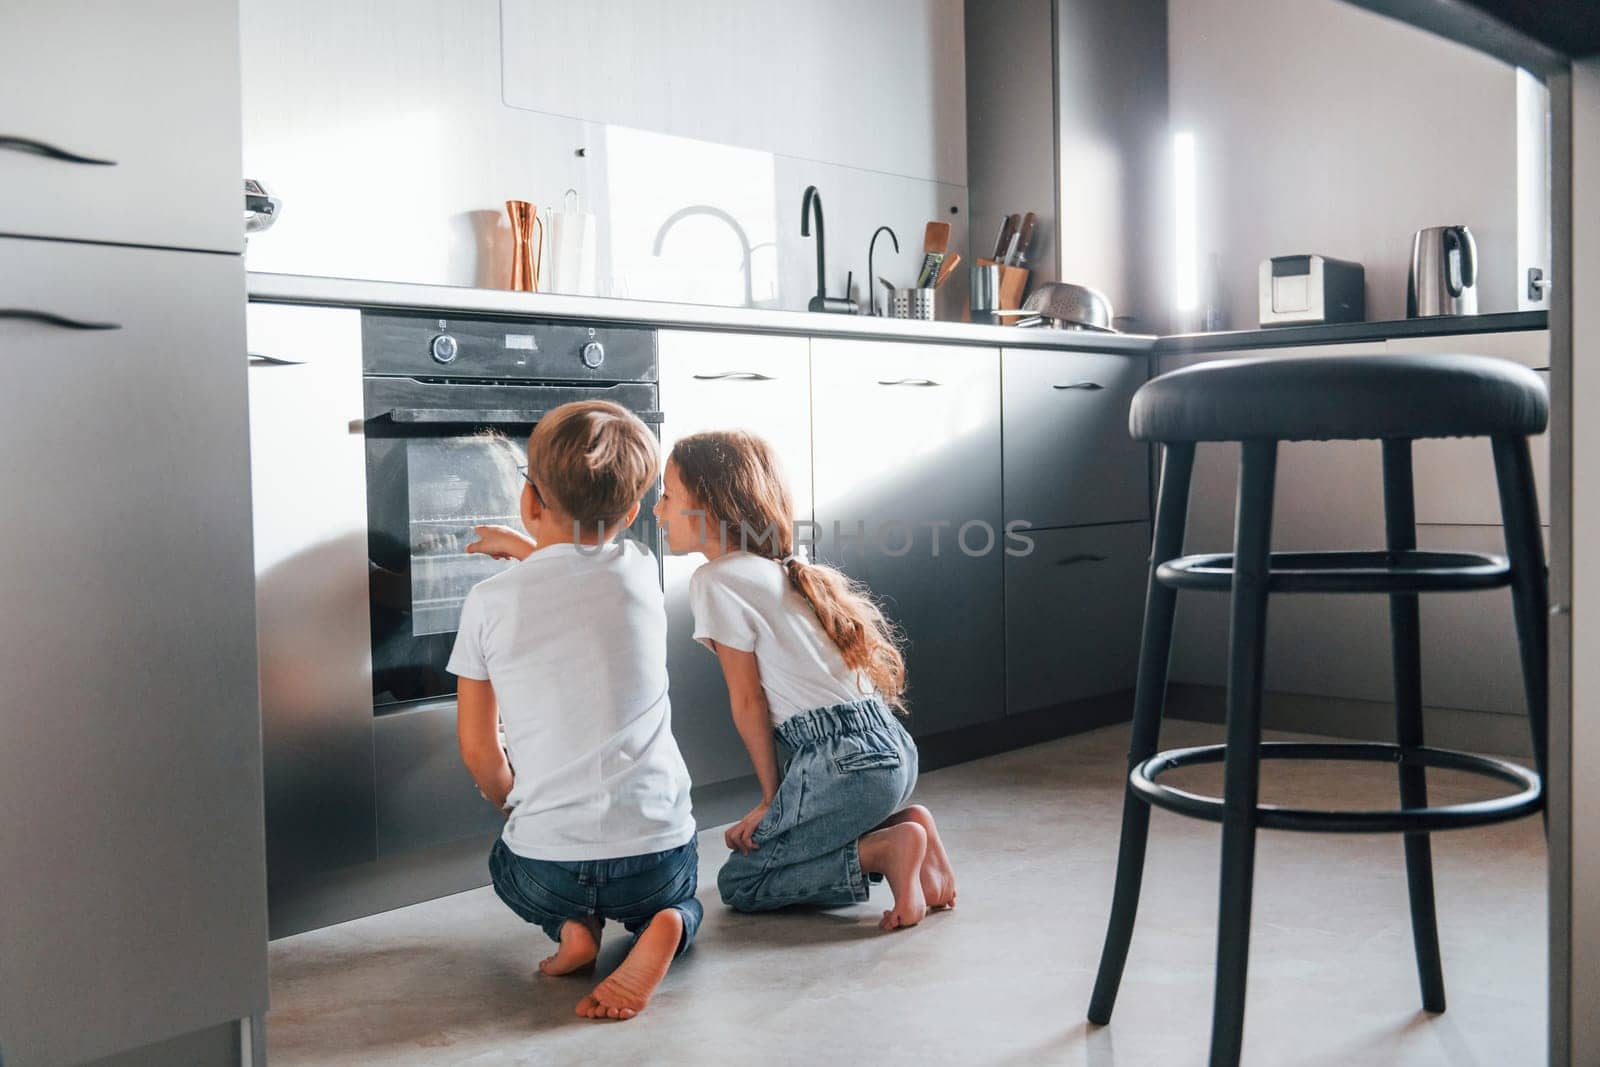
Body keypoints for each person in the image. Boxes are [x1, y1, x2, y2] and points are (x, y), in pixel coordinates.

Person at [451, 400, 699, 1021]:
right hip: (656, 856)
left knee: (508, 864)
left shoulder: (487, 603)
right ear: (634, 513)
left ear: (530, 501)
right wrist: (531, 548)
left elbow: (480, 749)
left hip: (547, 864)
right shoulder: (642, 572)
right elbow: (581, 578)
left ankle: (571, 928)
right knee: (682, 894)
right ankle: (668, 923)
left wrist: (508, 797)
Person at [654, 429, 956, 931]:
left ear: (708, 506)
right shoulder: (781, 570)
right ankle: (908, 824)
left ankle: (885, 849)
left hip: (845, 766)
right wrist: (776, 812)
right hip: (890, 752)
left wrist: (772, 800)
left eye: (667, 497)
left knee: (742, 883)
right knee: (775, 848)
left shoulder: (716, 580)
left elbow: (748, 702)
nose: (658, 511)